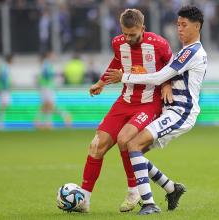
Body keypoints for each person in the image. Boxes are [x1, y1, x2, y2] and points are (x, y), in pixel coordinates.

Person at [105, 5, 207, 215]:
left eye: (184, 25)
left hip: (181, 111)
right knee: (135, 152)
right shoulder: (185, 51)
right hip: (170, 111)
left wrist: (124, 77)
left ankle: (149, 203)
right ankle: (172, 188)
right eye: (178, 24)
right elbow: (166, 77)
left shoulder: (193, 52)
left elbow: (159, 77)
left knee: (132, 144)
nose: (179, 29)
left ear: (197, 27)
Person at [75, 8, 176, 213]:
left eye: (133, 34)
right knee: (97, 145)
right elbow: (117, 61)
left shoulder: (159, 44)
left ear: (143, 28)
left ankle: (134, 190)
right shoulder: (118, 42)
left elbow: (172, 65)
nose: (128, 38)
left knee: (124, 139)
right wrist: (101, 82)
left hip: (149, 103)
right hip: (124, 101)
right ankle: (84, 199)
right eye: (125, 33)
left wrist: (167, 85)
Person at [35, 51, 71, 129]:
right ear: (49, 55)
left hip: (46, 87)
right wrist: (58, 74)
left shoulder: (45, 64)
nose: (54, 57)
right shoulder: (46, 64)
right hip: (47, 87)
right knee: (49, 104)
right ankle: (64, 117)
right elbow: (47, 75)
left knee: (46, 105)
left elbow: (43, 75)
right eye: (52, 55)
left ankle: (44, 122)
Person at [0, 55, 13, 130]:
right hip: (3, 89)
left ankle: (1, 122)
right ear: (9, 60)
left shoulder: (4, 66)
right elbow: (2, 77)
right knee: (4, 105)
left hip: (3, 88)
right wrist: (5, 87)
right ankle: (0, 123)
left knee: (4, 105)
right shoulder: (5, 67)